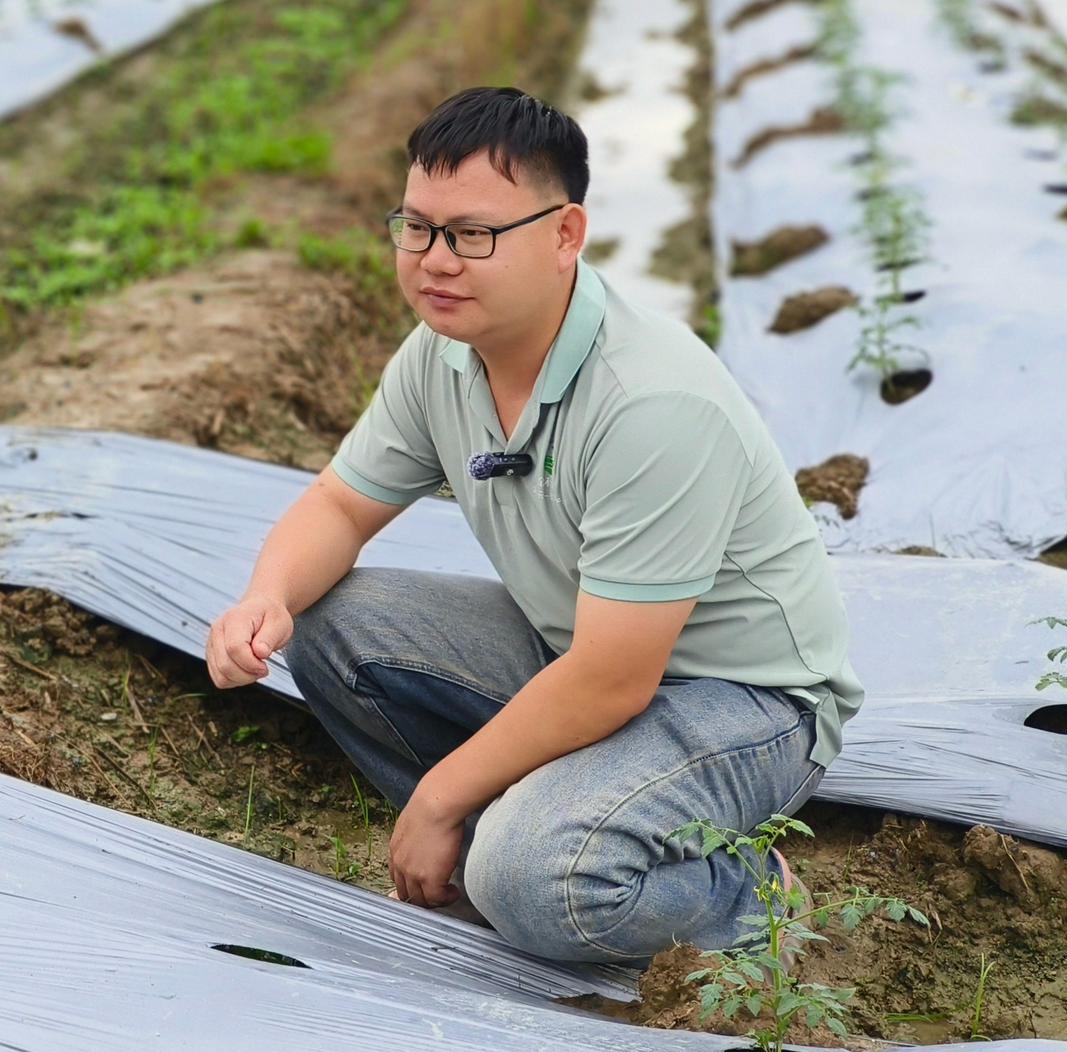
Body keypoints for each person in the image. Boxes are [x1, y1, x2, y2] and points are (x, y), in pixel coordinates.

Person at [205, 86, 864, 968]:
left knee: (530, 878)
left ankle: (744, 893)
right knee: (327, 621)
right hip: (578, 655)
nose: (436, 261)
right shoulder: (444, 354)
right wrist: (266, 598)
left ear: (565, 235)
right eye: (417, 228)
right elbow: (339, 504)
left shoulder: (652, 403)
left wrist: (437, 795)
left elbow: (614, 679)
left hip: (743, 703)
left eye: (473, 234)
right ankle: (517, 833)